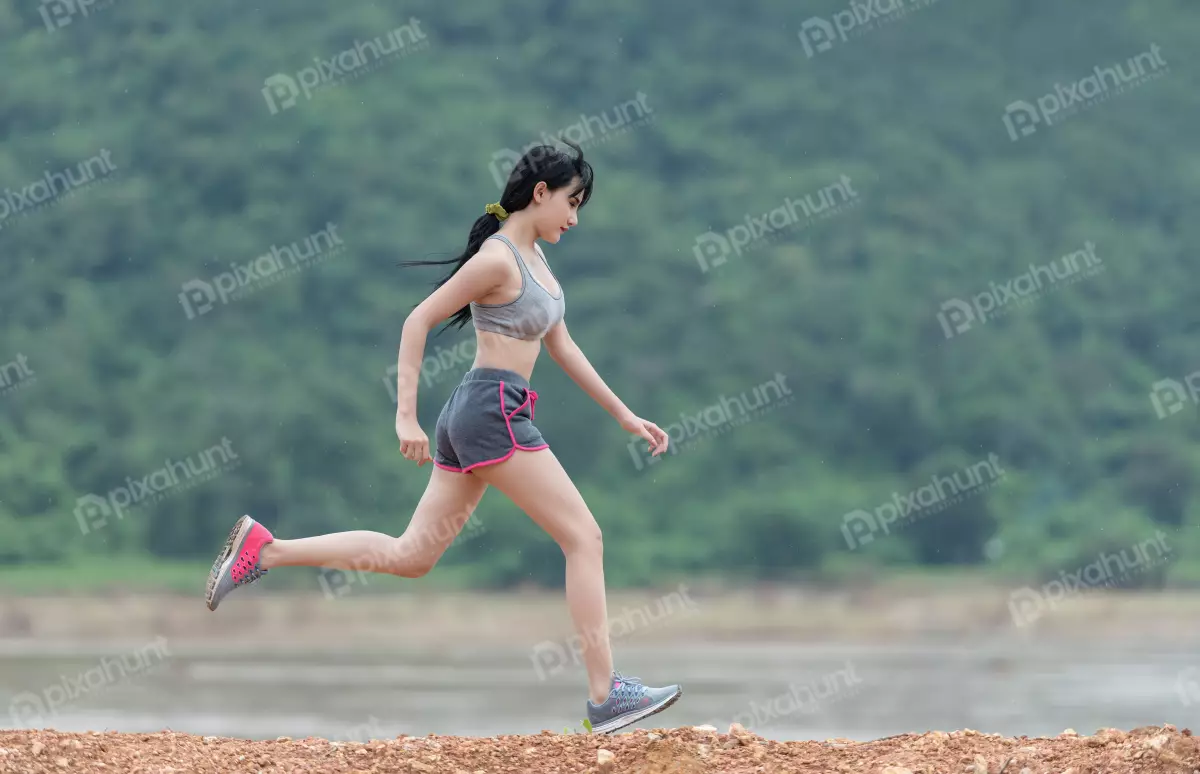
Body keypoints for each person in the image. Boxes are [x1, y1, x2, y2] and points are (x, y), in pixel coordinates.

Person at [204, 140, 683, 734]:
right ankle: (606, 695)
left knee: (411, 557)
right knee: (584, 538)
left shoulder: (537, 263)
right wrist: (404, 416)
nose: (575, 217)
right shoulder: (498, 258)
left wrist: (624, 414)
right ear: (541, 193)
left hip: (478, 414)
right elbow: (418, 320)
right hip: (492, 413)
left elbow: (561, 345)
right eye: (571, 202)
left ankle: (265, 550)